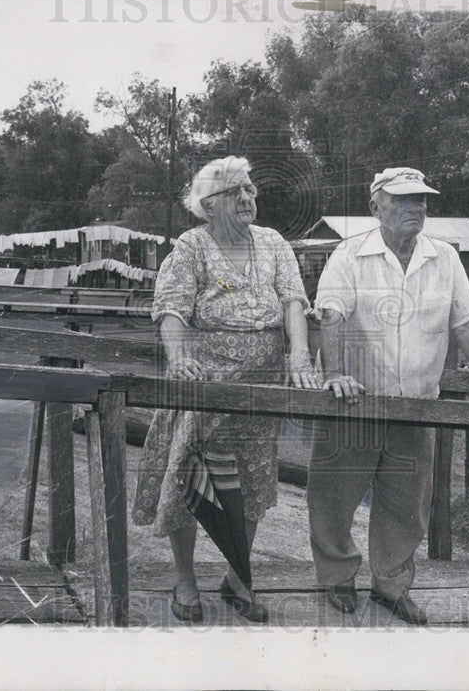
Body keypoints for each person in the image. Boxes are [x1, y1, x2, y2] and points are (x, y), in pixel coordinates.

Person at [309, 167, 469, 625]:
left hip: (419, 403)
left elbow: (467, 325)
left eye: (421, 200)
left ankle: (391, 586)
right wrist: (335, 373)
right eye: (402, 199)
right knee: (334, 498)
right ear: (375, 204)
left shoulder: (444, 258)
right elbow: (332, 315)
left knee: (407, 505)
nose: (415, 208)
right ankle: (337, 578)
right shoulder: (349, 254)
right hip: (356, 403)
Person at [132, 156, 320, 623]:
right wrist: (180, 358)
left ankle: (238, 580)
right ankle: (185, 581)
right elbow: (171, 310)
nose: (248, 198)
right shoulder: (191, 246)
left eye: (251, 189)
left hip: (261, 390)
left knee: (253, 484)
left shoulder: (274, 243)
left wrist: (298, 356)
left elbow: (294, 302)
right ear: (209, 204)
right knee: (189, 481)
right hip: (206, 388)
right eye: (237, 191)